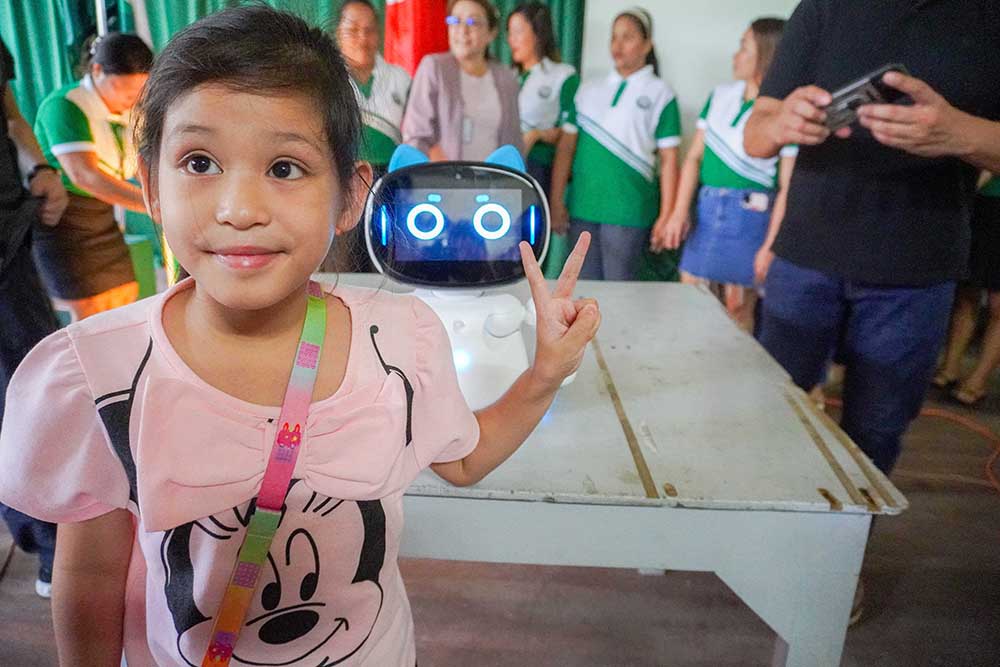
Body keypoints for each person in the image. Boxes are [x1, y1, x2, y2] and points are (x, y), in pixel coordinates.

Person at [0, 7, 599, 665]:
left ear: (350, 196)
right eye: (200, 162)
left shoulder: (401, 342)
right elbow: (90, 576)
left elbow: (465, 458)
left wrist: (545, 371)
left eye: (285, 168)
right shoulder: (100, 376)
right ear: (151, 186)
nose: (239, 209)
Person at [654, 18, 793, 331]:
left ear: (767, 54)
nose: (735, 55)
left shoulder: (784, 109)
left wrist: (770, 246)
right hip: (707, 212)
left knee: (738, 308)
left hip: (751, 217)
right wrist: (678, 212)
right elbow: (693, 158)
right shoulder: (720, 96)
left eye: (744, 47)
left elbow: (788, 186)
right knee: (690, 294)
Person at [0, 37, 68, 600]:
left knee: (37, 383)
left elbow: (10, 111)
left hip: (8, 236)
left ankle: (54, 540)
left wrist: (39, 165)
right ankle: (49, 542)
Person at [551, 7, 680, 281]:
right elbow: (566, 148)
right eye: (614, 37)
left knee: (621, 293)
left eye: (628, 37)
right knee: (582, 291)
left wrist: (667, 214)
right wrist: (556, 199)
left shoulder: (661, 93)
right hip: (582, 207)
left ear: (647, 44)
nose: (618, 45)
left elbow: (670, 159)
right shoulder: (587, 89)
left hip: (629, 212)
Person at [31, 32, 151, 322]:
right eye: (124, 89)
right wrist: (151, 205)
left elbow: (137, 163)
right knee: (89, 308)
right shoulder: (65, 106)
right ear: (97, 71)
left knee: (124, 293)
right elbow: (85, 175)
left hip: (101, 215)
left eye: (139, 90)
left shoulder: (130, 110)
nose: (131, 98)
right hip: (65, 220)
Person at [324, 0, 411, 273]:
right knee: (341, 264)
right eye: (353, 30)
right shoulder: (326, 79)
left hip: (389, 182)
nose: (362, 38)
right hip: (342, 179)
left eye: (370, 30)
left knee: (387, 260)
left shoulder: (400, 78)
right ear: (338, 33)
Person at [402, 0, 523, 161]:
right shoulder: (434, 67)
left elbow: (514, 143)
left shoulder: (506, 78)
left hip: (493, 176)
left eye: (473, 22)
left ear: (491, 33)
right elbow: (416, 133)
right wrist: (448, 172)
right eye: (455, 21)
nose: (463, 30)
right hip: (439, 174)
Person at [934, 172, 1000, 406]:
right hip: (982, 204)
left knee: (998, 303)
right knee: (966, 290)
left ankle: (977, 380)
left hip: (982, 192)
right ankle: (949, 368)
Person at [507, 2, 578, 195]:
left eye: (518, 32)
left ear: (538, 33)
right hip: (503, 166)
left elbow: (568, 132)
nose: (512, 40)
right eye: (510, 33)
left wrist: (537, 134)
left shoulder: (562, 75)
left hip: (537, 169)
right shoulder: (507, 76)